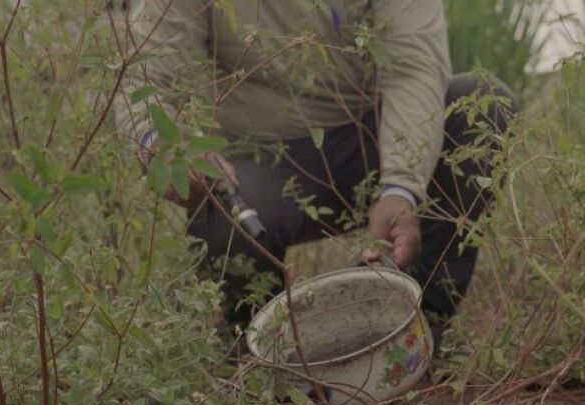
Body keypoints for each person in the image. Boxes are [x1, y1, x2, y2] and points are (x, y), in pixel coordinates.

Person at [113, 0, 517, 342]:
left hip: (371, 139)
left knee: (483, 102)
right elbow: (147, 77)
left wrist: (402, 186)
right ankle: (254, 340)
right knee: (221, 205)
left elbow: (413, 69)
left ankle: (419, 324)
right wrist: (164, 149)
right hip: (260, 159)